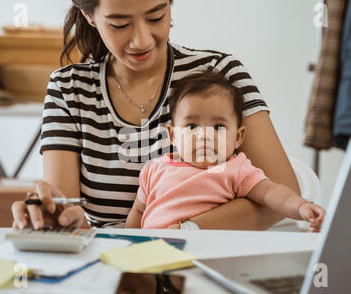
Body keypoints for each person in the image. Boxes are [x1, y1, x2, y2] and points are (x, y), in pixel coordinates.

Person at [11, 0, 301, 231]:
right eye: (119, 24)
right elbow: (70, 213)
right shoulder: (68, 89)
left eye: (156, 17)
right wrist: (54, 218)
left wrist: (177, 234)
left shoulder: (220, 74)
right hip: (110, 264)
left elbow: (282, 193)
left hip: (203, 258)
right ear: (89, 17)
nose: (142, 40)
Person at [125, 71, 325, 232]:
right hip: (152, 256)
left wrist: (301, 207)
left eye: (218, 127)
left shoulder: (237, 169)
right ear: (172, 134)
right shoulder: (154, 169)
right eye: (192, 126)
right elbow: (138, 211)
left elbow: (272, 193)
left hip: (209, 255)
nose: (205, 135)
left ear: (238, 137)